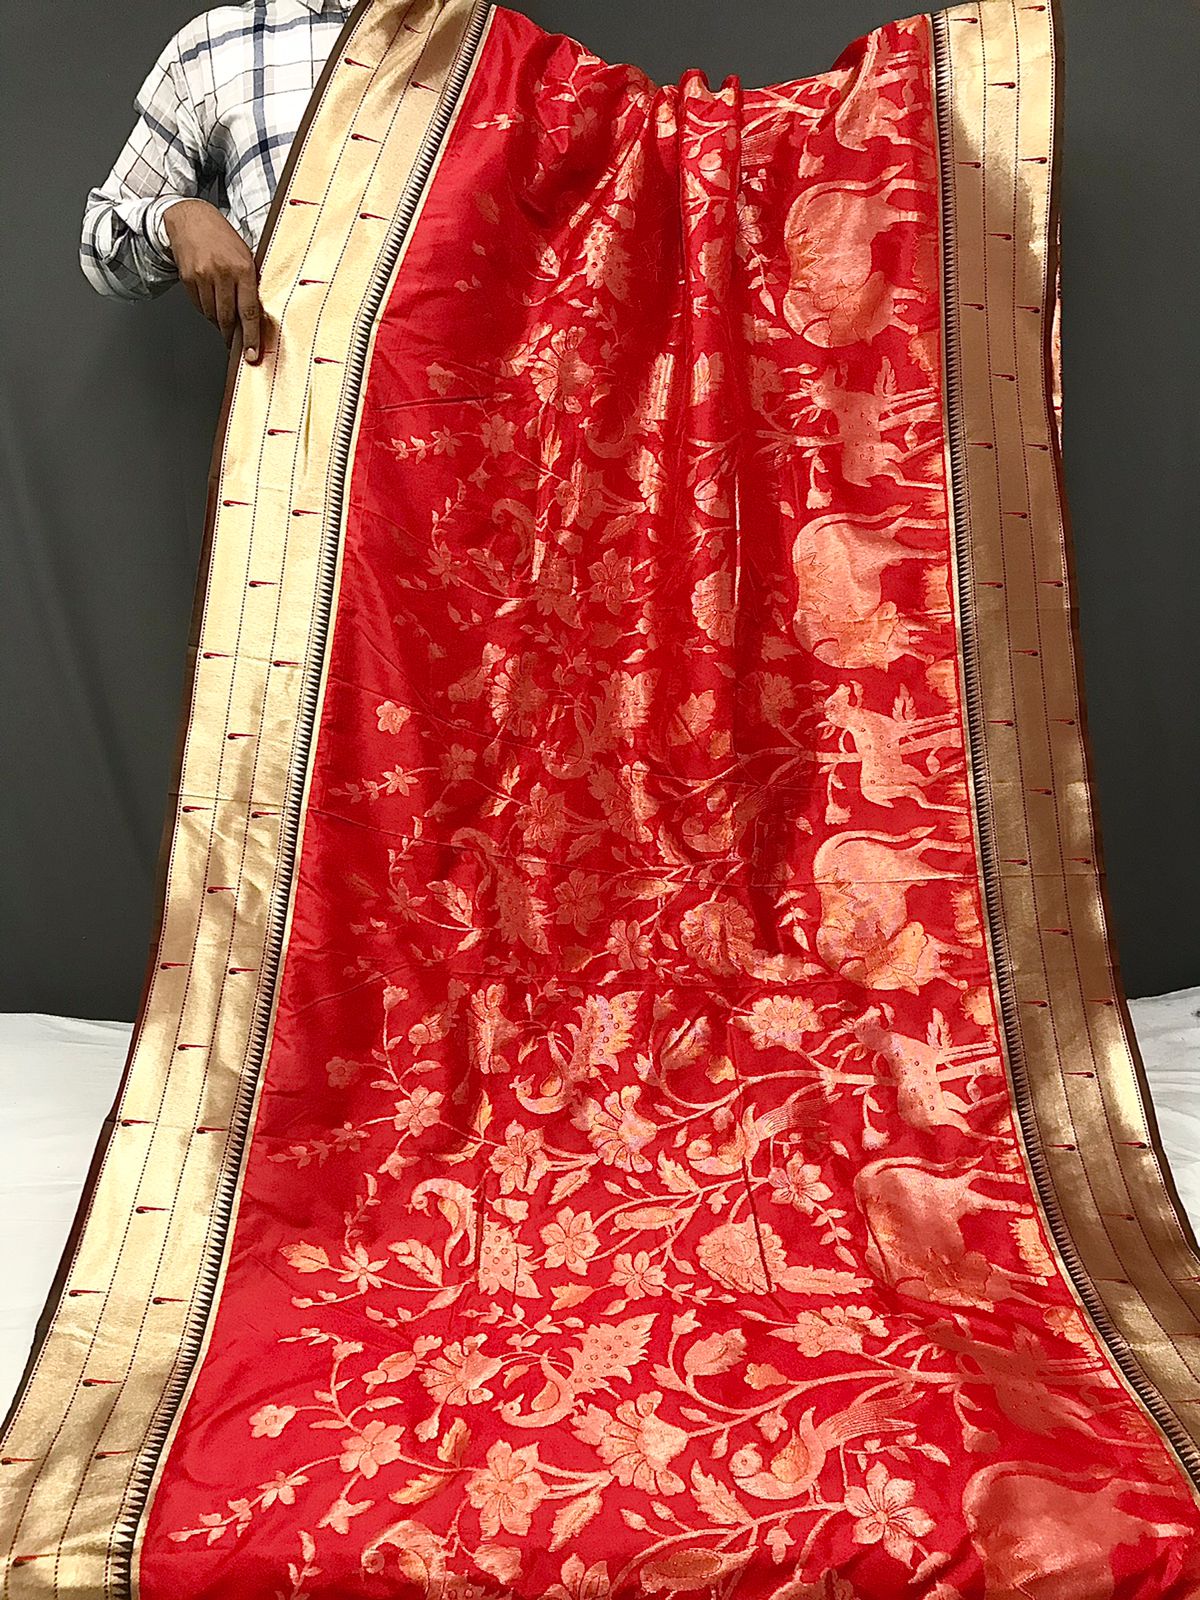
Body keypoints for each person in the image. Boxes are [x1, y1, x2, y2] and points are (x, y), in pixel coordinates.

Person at [79, 0, 352, 364]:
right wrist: (177, 219)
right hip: (297, 384)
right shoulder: (217, 47)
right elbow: (102, 248)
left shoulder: (435, 38)